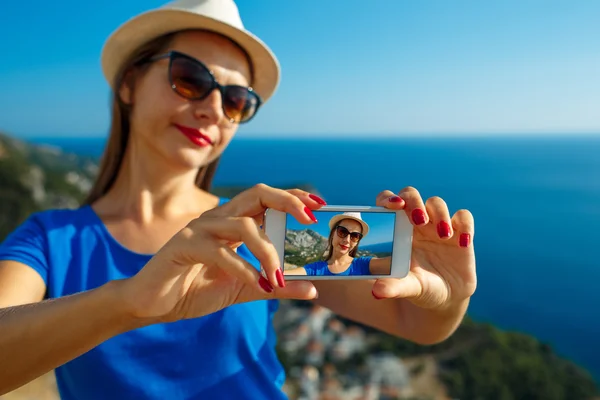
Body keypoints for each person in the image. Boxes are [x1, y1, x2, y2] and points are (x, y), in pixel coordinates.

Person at [0, 0, 477, 399]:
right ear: (128, 85)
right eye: (189, 78)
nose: (213, 108)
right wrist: (129, 302)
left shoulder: (257, 227)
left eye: (236, 100)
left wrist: (446, 297)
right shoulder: (50, 241)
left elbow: (414, 323)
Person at [285, 212, 392, 276]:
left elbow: (399, 263)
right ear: (332, 234)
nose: (347, 240)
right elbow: (282, 276)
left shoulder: (365, 264)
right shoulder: (314, 269)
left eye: (355, 236)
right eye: (342, 232)